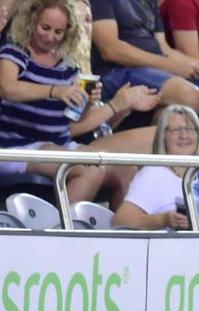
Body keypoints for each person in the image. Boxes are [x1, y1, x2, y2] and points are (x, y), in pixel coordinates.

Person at [0, 0, 159, 203]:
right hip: (17, 147)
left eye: (58, 32)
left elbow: (74, 122)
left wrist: (88, 103)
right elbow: (7, 88)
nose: (50, 37)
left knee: (126, 170)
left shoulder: (68, 68)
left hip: (58, 144)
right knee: (88, 168)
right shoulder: (14, 53)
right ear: (32, 22)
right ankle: (62, 232)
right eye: (45, 28)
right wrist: (55, 91)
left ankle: (116, 230)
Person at [88, 0, 199, 134]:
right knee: (188, 96)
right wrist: (170, 66)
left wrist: (195, 65)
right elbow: (110, 49)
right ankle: (153, 154)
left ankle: (181, 145)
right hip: (117, 70)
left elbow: (163, 48)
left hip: (155, 69)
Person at [112, 104, 199, 229]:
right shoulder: (154, 174)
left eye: (190, 129)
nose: (184, 136)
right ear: (163, 135)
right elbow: (120, 221)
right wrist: (163, 220)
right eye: (176, 130)